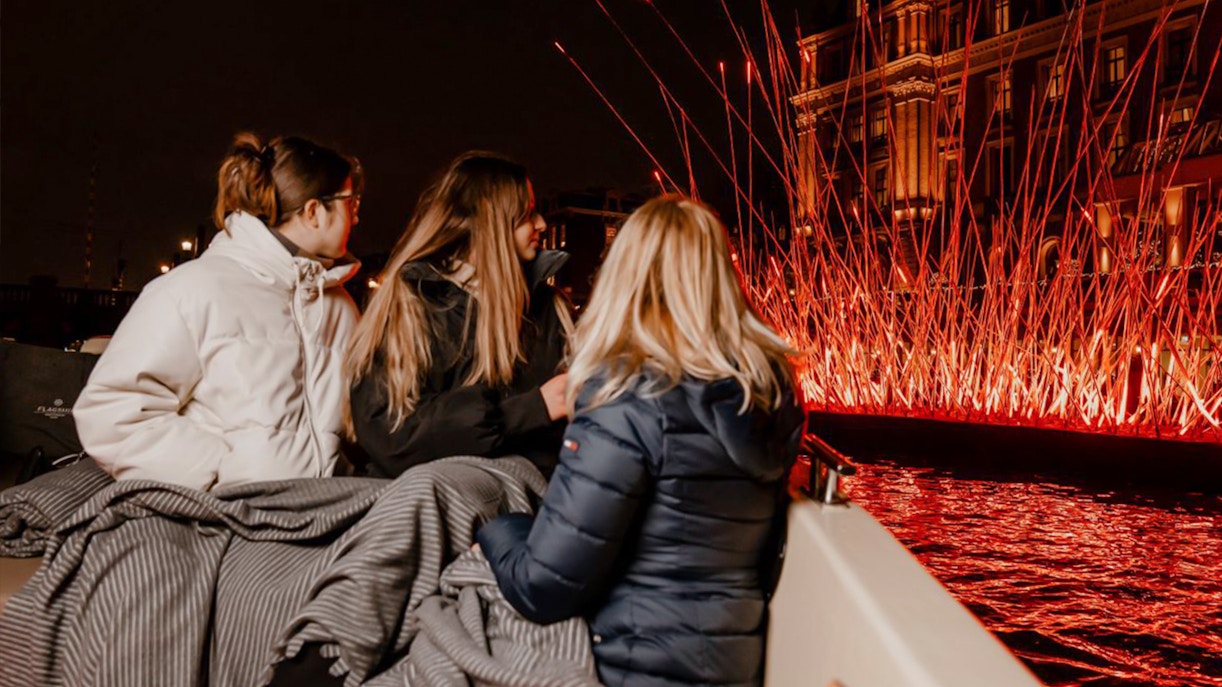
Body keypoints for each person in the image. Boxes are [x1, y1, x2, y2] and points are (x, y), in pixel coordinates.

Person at [476, 195, 805, 687]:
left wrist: (495, 528)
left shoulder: (628, 399)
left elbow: (544, 586)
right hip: (727, 665)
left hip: (633, 667)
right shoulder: (765, 395)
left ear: (626, 278)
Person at [73, 133, 362, 491]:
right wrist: (222, 475)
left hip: (322, 513)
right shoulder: (191, 290)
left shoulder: (341, 306)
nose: (356, 217)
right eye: (351, 203)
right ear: (314, 211)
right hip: (225, 514)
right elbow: (112, 413)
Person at [344, 151, 571, 479]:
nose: (541, 224)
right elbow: (391, 437)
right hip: (436, 512)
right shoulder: (413, 304)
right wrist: (528, 411)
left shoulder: (549, 307)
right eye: (527, 213)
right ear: (490, 223)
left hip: (532, 510)